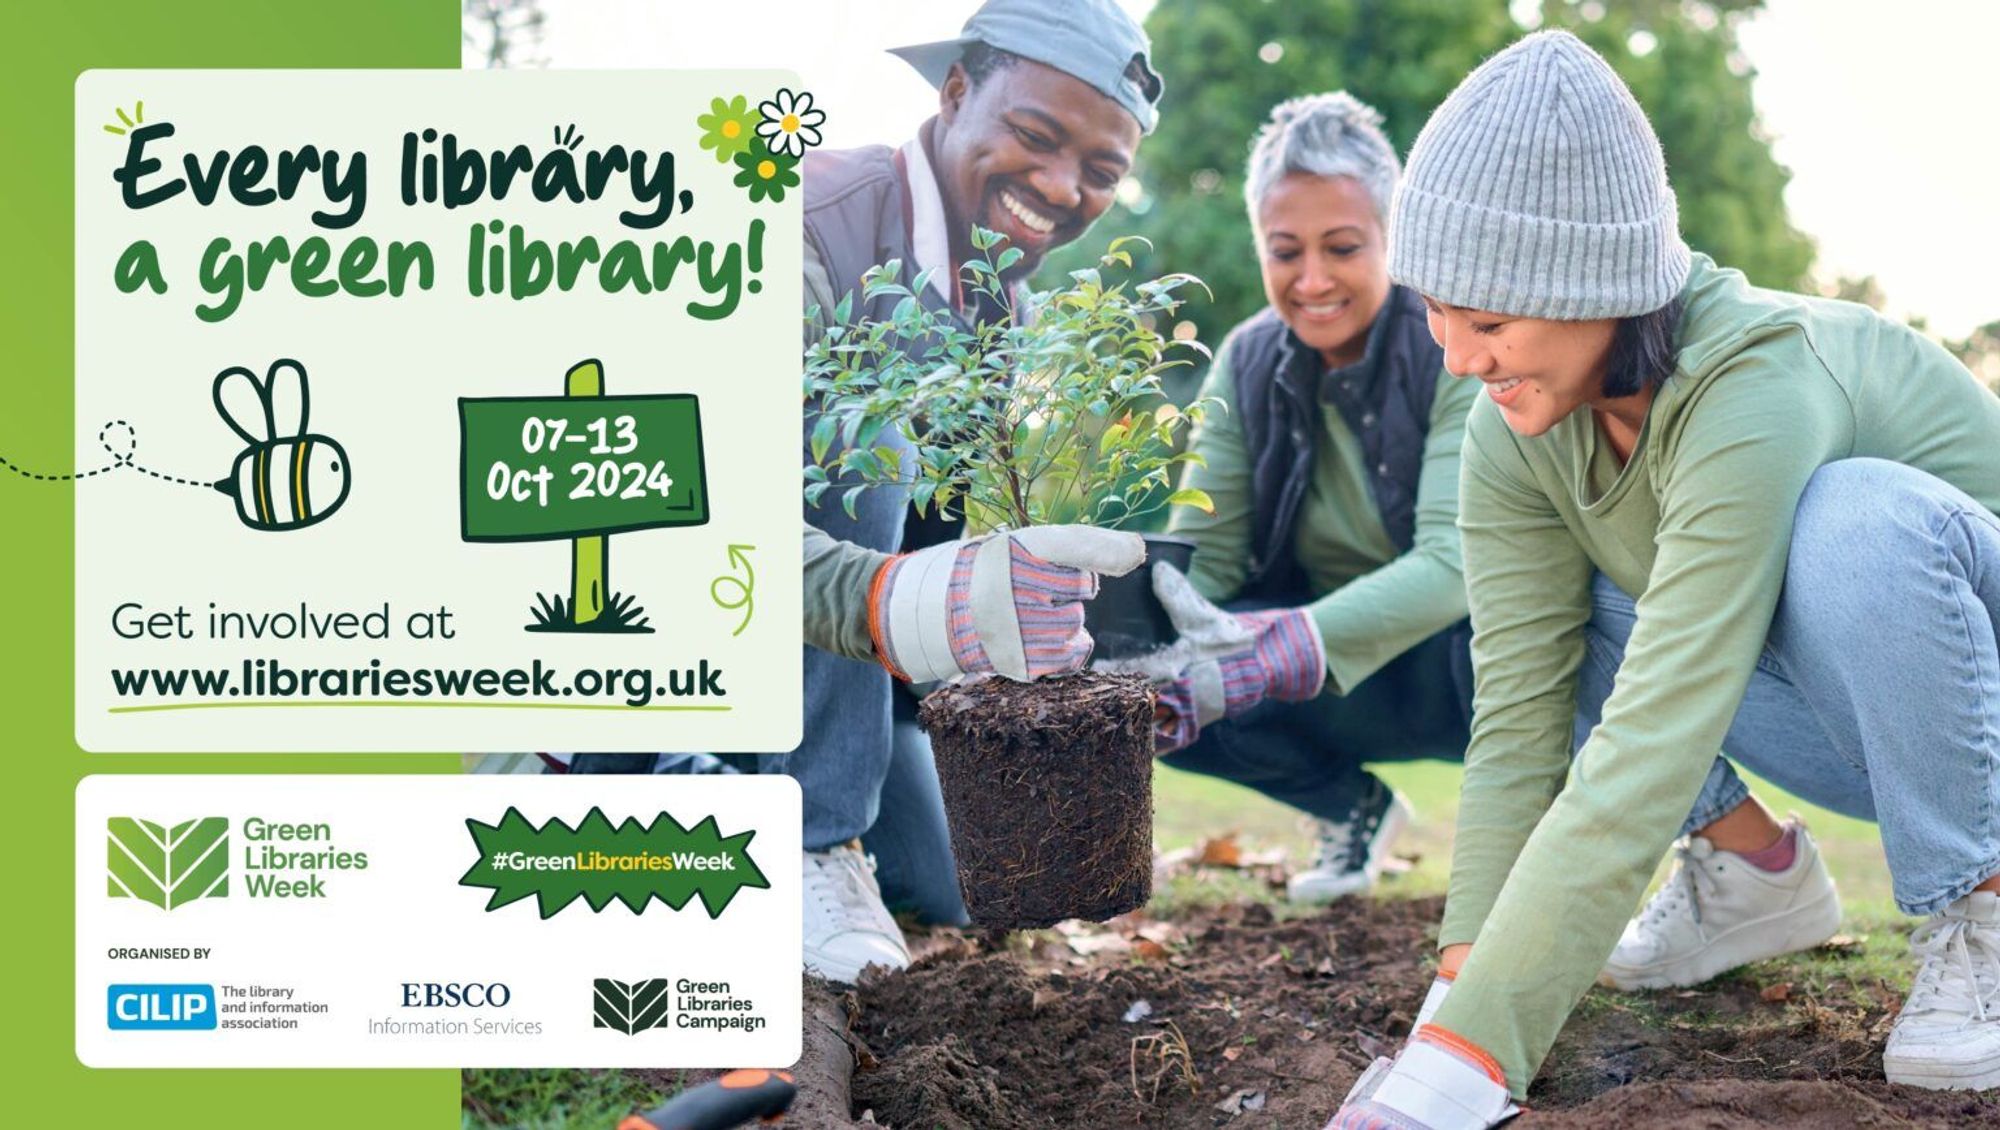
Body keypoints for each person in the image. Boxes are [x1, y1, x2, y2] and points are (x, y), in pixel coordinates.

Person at [1330, 31, 2000, 1127]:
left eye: (1488, 321)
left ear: (1597, 286)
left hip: (1962, 712)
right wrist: (1456, 991)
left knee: (1850, 522)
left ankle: (1977, 905)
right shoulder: (1520, 418)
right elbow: (1518, 716)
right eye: (1433, 312)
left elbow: (1661, 717)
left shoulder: (1758, 375)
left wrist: (1475, 1059)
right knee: (1557, 608)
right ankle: (1753, 876)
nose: (1455, 355)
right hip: (1846, 726)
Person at [786, 0, 1163, 985]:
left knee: (957, 880)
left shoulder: (999, 301)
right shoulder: (809, 225)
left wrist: (1101, 641)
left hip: (838, 675)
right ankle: (804, 838)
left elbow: (961, 526)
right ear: (954, 92)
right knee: (860, 426)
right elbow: (693, 513)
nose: (1058, 187)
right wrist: (892, 600)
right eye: (1034, 137)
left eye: (1100, 171)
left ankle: (825, 824)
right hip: (692, 642)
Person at [1133, 92, 1480, 905]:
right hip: (1330, 679)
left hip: (1464, 664)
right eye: (1286, 251)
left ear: (1395, 237)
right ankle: (1347, 807)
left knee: (1538, 635)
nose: (1313, 279)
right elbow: (1202, 560)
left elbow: (1456, 562)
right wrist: (1118, 652)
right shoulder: (1249, 361)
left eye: (1343, 247)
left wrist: (1278, 648)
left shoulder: (1456, 344)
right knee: (1157, 681)